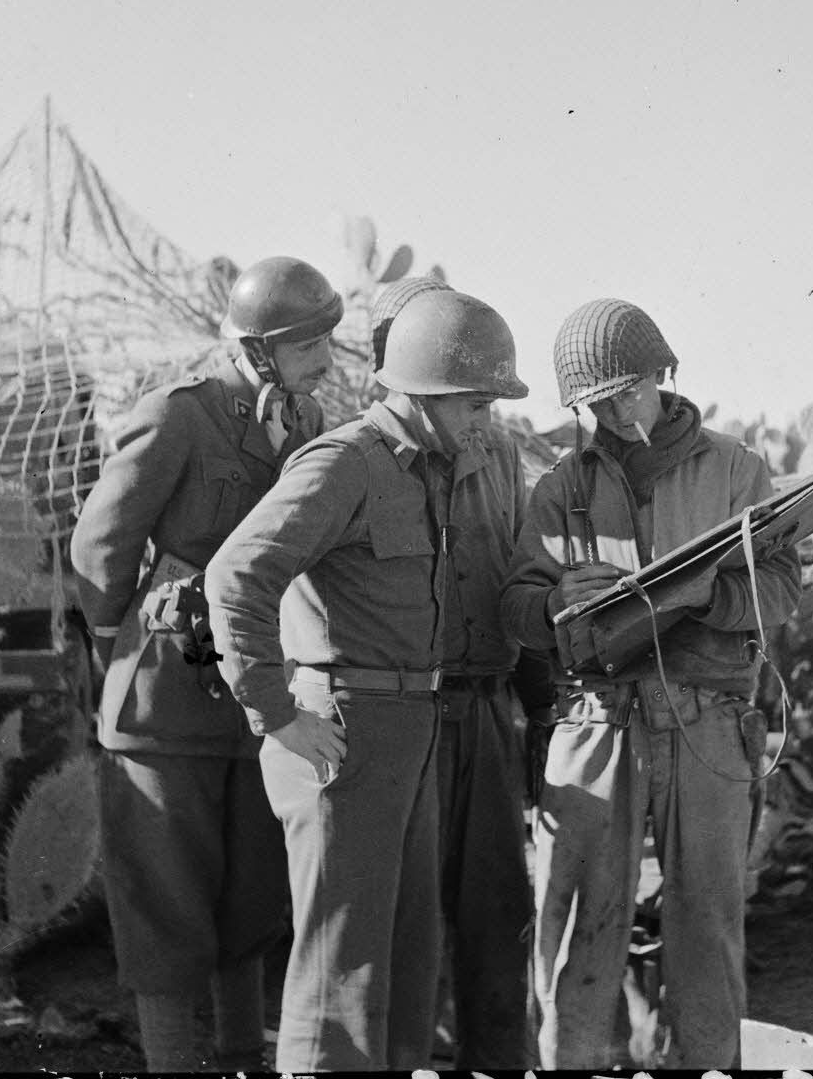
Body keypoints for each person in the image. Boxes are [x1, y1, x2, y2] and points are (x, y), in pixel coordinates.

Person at [203, 289, 531, 1072]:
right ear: (423, 394)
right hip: (342, 729)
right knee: (338, 975)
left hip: (408, 729)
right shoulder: (345, 461)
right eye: (475, 402)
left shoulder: (434, 468)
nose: (486, 418)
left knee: (404, 963)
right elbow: (236, 577)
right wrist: (276, 714)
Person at [501, 297, 803, 1070]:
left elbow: (778, 590)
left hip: (707, 723)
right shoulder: (560, 485)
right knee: (574, 923)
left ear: (661, 376)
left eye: (624, 392)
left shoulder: (735, 469)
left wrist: (701, 593)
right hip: (595, 722)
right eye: (593, 404)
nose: (612, 413)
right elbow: (515, 609)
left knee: (706, 924)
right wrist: (554, 600)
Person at [69, 255, 343, 1072]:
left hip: (258, 692)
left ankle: (238, 1053)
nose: (322, 361)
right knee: (166, 901)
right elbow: (100, 545)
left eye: (326, 342)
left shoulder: (310, 424)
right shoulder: (179, 416)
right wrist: (122, 646)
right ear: (258, 351)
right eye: (305, 347)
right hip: (164, 702)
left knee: (250, 894)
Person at [370, 278, 553, 1069]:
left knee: (494, 918)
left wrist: (544, 720)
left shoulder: (498, 451)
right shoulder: (362, 460)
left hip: (483, 713)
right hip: (395, 720)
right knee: (399, 935)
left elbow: (520, 580)